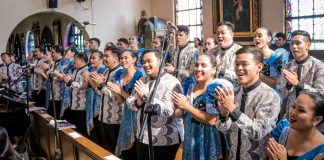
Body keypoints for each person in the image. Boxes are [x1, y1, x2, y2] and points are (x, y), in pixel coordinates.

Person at [214, 47, 281, 160]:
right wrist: (223, 114)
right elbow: (224, 129)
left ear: (259, 67)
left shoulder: (270, 96)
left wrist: (232, 109)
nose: (239, 68)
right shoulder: (234, 93)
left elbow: (258, 133)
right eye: (236, 64)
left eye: (245, 64)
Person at [126, 49, 184, 160]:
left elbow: (170, 111)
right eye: (143, 62)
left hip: (164, 139)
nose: (145, 65)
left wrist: (146, 97)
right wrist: (138, 101)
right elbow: (129, 102)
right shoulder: (142, 80)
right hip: (142, 136)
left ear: (160, 61)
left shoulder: (172, 82)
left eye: (149, 61)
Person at [171, 53, 230, 160]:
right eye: (196, 65)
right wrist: (179, 106)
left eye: (203, 65)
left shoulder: (215, 88)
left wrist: (186, 106)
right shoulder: (191, 85)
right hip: (191, 138)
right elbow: (180, 114)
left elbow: (211, 120)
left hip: (209, 142)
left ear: (213, 70)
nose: (198, 68)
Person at [108, 50, 144, 159]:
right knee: (126, 153)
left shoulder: (140, 75)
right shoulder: (121, 75)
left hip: (137, 116)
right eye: (122, 58)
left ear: (134, 59)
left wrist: (120, 92)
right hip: (126, 115)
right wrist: (116, 92)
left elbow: (137, 102)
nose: (123, 60)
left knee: (135, 150)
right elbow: (121, 100)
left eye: (126, 58)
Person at [279, 30, 324, 118]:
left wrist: (298, 84)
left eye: (298, 43)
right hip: (290, 116)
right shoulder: (287, 66)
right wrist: (288, 85)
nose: (294, 47)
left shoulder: (319, 67)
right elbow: (282, 95)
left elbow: (321, 95)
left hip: (311, 117)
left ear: (308, 45)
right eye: (292, 44)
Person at [267, 92, 324, 160]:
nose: (292, 112)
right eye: (293, 106)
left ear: (317, 120)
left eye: (301, 110)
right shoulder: (282, 127)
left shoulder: (321, 151)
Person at [90, 47, 122, 152]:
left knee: (115, 150)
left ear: (116, 58)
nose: (104, 58)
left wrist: (102, 84)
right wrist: (98, 85)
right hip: (103, 116)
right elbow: (100, 93)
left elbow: (118, 97)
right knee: (105, 149)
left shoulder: (120, 73)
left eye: (107, 56)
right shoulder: (105, 71)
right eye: (104, 56)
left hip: (115, 119)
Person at [62, 52, 88, 136]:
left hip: (81, 106)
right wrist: (67, 81)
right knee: (74, 130)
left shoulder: (86, 71)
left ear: (82, 61)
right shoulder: (76, 70)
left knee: (81, 131)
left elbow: (82, 87)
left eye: (76, 59)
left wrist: (69, 81)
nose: (74, 61)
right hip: (72, 104)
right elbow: (72, 85)